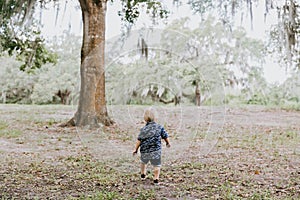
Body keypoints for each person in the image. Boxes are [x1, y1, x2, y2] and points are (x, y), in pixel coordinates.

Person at [133, 108, 171, 184]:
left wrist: (135, 149)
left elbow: (139, 140)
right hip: (156, 150)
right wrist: (168, 143)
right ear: (156, 117)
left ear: (145, 118)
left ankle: (143, 173)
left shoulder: (143, 129)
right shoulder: (159, 127)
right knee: (156, 165)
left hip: (145, 151)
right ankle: (156, 178)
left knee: (143, 162)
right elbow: (165, 136)